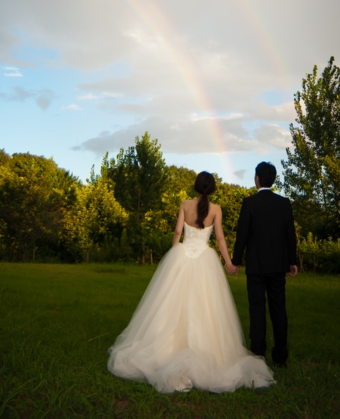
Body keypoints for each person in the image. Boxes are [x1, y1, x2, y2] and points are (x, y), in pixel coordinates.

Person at [107, 171, 274, 393]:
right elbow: (221, 239)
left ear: (196, 187)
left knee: (172, 304)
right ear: (212, 188)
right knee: (206, 306)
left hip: (183, 256)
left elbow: (178, 231)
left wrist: (174, 255)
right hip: (206, 258)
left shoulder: (185, 204)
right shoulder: (216, 210)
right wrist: (229, 263)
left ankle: (168, 346)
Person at [232, 162, 298, 367]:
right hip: (278, 265)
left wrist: (235, 261)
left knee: (257, 308)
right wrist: (292, 261)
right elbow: (290, 235)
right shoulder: (284, 203)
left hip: (256, 265)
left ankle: (258, 354)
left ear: (257, 179)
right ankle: (280, 356)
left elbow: (242, 235)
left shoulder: (249, 203)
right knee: (279, 309)